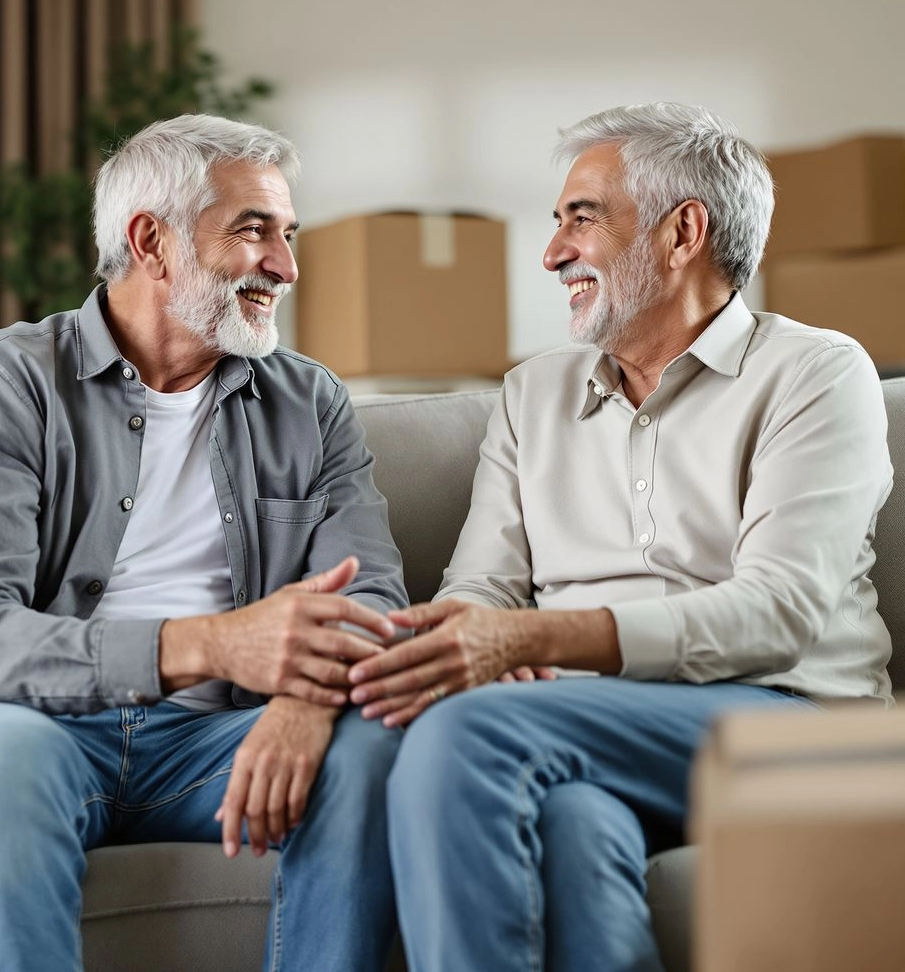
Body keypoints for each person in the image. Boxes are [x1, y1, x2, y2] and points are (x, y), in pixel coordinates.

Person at [347, 103, 893, 972]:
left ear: (683, 233)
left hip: (790, 718)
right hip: (586, 725)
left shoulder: (816, 373)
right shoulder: (532, 395)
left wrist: (537, 642)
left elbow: (780, 614)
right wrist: (474, 639)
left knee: (467, 735)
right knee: (570, 821)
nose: (552, 251)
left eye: (581, 217)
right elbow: (481, 587)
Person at [0, 114, 407, 972]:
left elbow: (371, 598)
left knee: (368, 751)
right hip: (16, 724)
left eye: (288, 235)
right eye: (255, 230)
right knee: (6, 762)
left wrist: (306, 702)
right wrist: (216, 644)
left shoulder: (310, 402)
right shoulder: (5, 380)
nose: (287, 268)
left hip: (212, 741)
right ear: (152, 240)